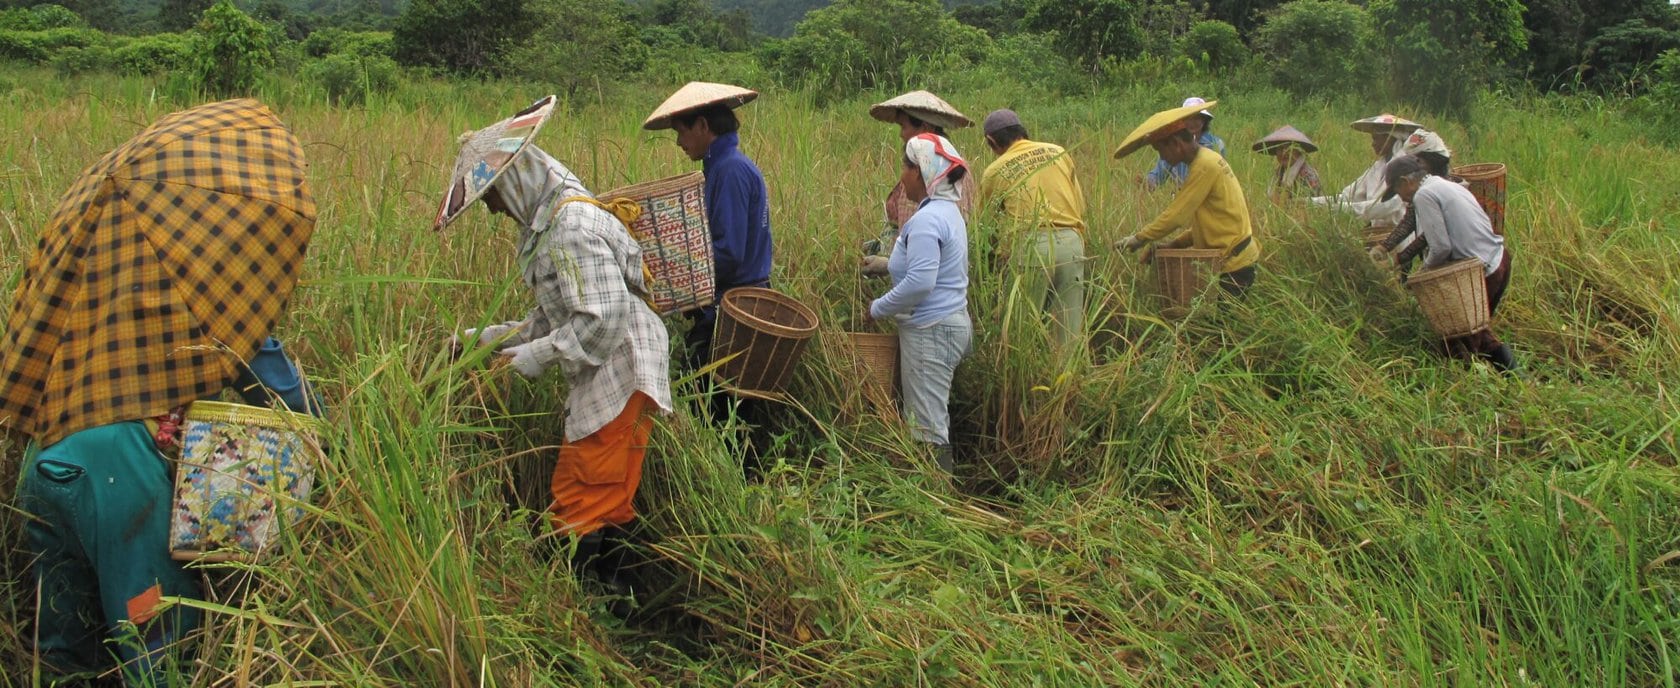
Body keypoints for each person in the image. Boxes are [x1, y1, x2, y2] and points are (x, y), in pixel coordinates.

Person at [439, 97, 674, 583]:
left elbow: (601, 318)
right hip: (627, 366)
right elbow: (554, 317)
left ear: (515, 182)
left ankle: (586, 615)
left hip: (620, 368)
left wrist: (536, 356)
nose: (493, 210)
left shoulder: (569, 228)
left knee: (580, 499)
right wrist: (483, 340)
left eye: (492, 197)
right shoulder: (556, 221)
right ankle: (618, 603)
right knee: (609, 495)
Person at [17, 340, 319, 686]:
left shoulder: (81, 296)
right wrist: (331, 448)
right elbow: (283, 394)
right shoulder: (197, 292)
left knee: (67, 644)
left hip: (42, 461)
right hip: (117, 467)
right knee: (159, 642)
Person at [642, 81, 773, 371]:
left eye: (680, 131)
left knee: (707, 398)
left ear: (702, 125)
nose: (678, 142)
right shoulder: (724, 166)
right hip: (734, 301)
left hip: (733, 306)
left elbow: (729, 252)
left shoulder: (729, 170)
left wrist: (676, 274)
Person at [865, 133, 972, 474]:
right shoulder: (947, 212)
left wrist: (877, 308)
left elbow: (921, 283)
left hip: (931, 332)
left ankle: (939, 503)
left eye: (904, 167)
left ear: (921, 172)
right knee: (933, 414)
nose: (901, 176)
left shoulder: (926, 221)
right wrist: (885, 265)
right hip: (950, 324)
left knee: (927, 428)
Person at [1381, 154, 1516, 372]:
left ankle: (1514, 385)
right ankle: (1511, 385)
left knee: (1460, 338)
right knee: (1474, 335)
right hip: (1499, 259)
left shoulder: (1423, 195)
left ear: (1405, 181)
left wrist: (1422, 276)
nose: (1400, 198)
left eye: (1397, 191)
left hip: (1481, 271)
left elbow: (1441, 247)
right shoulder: (1446, 185)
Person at [1114, 101, 1260, 297]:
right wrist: (1174, 245)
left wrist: (1138, 239)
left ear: (1176, 144)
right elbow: (1211, 223)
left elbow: (1176, 216)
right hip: (1233, 261)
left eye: (1160, 151)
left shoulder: (1204, 166)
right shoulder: (1205, 160)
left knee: (1220, 326)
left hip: (1235, 265)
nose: (1162, 158)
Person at [977, 108, 1088, 349]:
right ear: (1023, 131)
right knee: (1068, 333)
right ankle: (1068, 383)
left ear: (991, 141)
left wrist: (995, 262)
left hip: (1031, 248)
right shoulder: (1058, 152)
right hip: (1072, 243)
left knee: (1018, 334)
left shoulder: (995, 171)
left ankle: (1018, 384)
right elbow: (1079, 206)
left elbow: (986, 229)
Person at [863, 90, 977, 277]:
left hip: (928, 281)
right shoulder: (928, 168)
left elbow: (937, 248)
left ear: (924, 127)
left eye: (904, 127)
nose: (901, 134)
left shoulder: (948, 174)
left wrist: (890, 265)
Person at [1310, 113, 1422, 227]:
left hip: (1401, 236)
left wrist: (1336, 209)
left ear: (1390, 138)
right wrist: (1311, 202)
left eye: (1376, 139)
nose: (1373, 144)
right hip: (1377, 233)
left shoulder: (1406, 167)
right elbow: (1348, 195)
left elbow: (1387, 207)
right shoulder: (1377, 167)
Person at [1372, 129, 1457, 270]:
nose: (1413, 163)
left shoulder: (1434, 190)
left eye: (1418, 160)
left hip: (1456, 264)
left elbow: (1430, 237)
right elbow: (1410, 221)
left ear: (1431, 161)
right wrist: (1383, 247)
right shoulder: (1423, 187)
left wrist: (1399, 259)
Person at [1144, 97, 1224, 190]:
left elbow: (1220, 175)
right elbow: (1159, 174)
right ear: (1181, 121)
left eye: (1197, 118)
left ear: (1204, 120)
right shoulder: (1175, 145)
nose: (1192, 123)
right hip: (1182, 194)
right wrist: (1147, 182)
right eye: (1188, 118)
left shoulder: (1216, 144)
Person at [1252, 125, 1324, 201]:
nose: (1284, 152)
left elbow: (1310, 206)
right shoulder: (1280, 172)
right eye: (1280, 148)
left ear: (1298, 151)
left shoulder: (1307, 175)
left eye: (1289, 148)